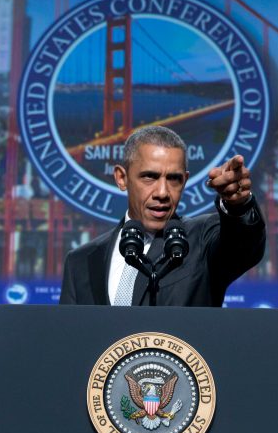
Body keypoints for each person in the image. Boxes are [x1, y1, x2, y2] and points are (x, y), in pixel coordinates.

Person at [59, 125, 266, 307]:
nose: (162, 193)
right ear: (122, 178)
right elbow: (69, 341)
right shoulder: (80, 262)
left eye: (174, 179)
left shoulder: (201, 240)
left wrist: (238, 206)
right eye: (150, 176)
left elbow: (243, 244)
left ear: (184, 181)